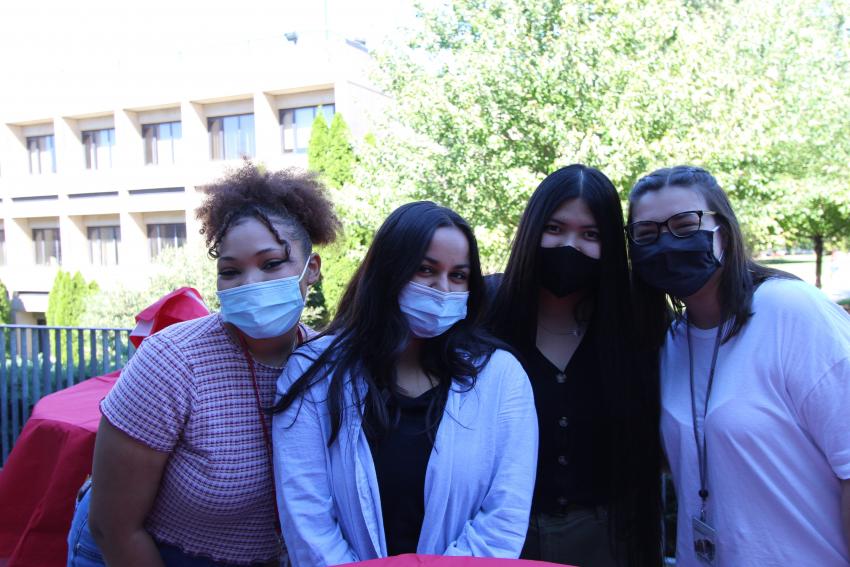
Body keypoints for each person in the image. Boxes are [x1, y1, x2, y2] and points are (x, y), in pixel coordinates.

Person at [66, 163, 340, 567]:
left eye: (271, 264)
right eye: (230, 271)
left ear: (311, 269)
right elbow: (114, 527)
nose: (250, 284)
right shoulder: (172, 362)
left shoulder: (328, 363)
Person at [271, 201, 538, 567]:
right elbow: (306, 515)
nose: (442, 289)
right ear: (388, 272)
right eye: (425, 270)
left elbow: (503, 516)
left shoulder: (502, 378)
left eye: (458, 275)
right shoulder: (312, 373)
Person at [627, 165, 850, 566]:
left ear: (724, 232)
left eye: (684, 224)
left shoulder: (791, 312)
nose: (666, 243)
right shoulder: (671, 343)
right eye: (647, 234)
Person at [487, 164, 662, 566]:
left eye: (591, 234)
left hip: (611, 540)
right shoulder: (487, 309)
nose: (571, 246)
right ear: (532, 228)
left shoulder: (635, 321)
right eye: (555, 228)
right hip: (506, 539)